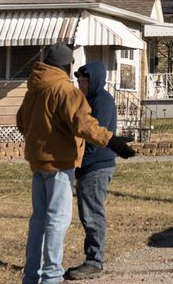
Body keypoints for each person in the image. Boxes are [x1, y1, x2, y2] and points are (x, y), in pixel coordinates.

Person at [17, 42, 133, 284]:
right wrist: (113, 141)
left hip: (38, 164)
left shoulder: (33, 90)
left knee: (38, 220)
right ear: (66, 66)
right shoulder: (65, 91)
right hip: (60, 165)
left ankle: (31, 276)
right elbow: (84, 124)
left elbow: (21, 123)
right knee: (57, 220)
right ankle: (51, 276)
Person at [68, 62, 119, 280]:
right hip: (87, 166)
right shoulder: (86, 100)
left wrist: (79, 161)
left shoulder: (102, 101)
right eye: (79, 80)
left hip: (97, 166)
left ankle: (94, 261)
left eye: (85, 80)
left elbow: (97, 137)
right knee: (87, 213)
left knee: (92, 214)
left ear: (95, 80)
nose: (81, 83)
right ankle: (92, 258)